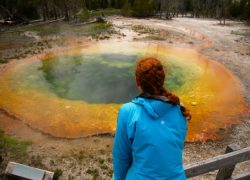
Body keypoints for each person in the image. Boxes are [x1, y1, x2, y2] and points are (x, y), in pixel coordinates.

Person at [112, 57, 191, 180]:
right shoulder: (179, 108)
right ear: (162, 80)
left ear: (137, 81)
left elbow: (121, 157)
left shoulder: (128, 111)